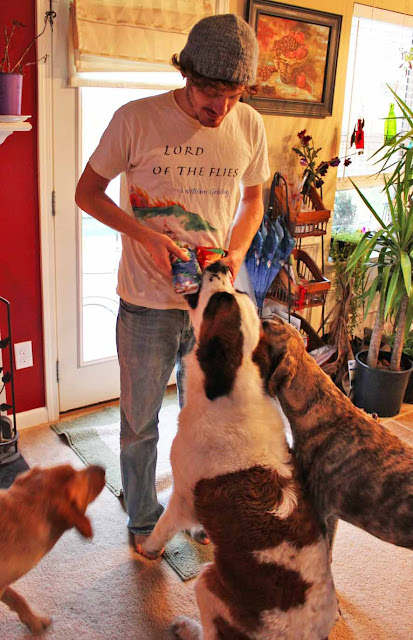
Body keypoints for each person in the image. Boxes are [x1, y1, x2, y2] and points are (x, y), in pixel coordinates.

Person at [75, 13, 270, 550]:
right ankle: (143, 519)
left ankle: (204, 509)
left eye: (233, 95)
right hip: (146, 304)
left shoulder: (250, 125)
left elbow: (254, 199)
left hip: (214, 307)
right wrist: (145, 237)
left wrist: (235, 252)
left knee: (209, 422)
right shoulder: (135, 119)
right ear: (186, 74)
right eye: (211, 92)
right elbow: (86, 193)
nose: (221, 108)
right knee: (140, 424)